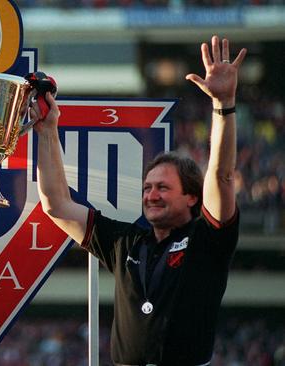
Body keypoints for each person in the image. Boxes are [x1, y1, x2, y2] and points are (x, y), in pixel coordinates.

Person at [34, 36, 246, 365]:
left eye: (162, 187)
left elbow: (221, 175)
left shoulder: (208, 239)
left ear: (192, 196)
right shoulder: (126, 242)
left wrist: (223, 105)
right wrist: (48, 130)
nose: (151, 195)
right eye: (147, 188)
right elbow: (55, 204)